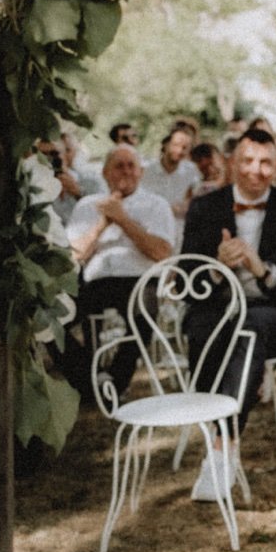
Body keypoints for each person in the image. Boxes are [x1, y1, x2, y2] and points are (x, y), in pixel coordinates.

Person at [181, 128, 276, 502]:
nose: (255, 170)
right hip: (216, 309)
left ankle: (221, 445)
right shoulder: (204, 207)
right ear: (232, 163)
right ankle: (221, 438)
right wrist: (216, 268)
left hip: (270, 314)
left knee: (250, 327)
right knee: (203, 329)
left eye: (265, 163)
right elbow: (184, 282)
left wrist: (265, 271)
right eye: (247, 161)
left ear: (275, 167)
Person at [60, 146, 176, 399]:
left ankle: (116, 380)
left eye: (131, 165)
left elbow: (162, 253)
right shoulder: (88, 204)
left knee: (143, 314)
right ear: (105, 173)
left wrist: (123, 220)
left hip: (140, 279)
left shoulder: (156, 204)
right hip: (96, 280)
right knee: (54, 321)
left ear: (140, 172)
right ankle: (92, 378)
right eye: (118, 166)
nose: (126, 171)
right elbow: (73, 256)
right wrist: (102, 224)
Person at [140, 127, 203, 245]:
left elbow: (196, 200)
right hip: (150, 230)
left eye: (185, 147)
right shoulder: (146, 171)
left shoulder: (192, 171)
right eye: (176, 145)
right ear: (166, 144)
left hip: (179, 232)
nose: (179, 150)